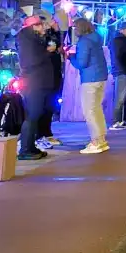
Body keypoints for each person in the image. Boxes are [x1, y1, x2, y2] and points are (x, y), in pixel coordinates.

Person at [69, 17, 110, 154]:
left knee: (90, 111)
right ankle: (102, 140)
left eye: (75, 27)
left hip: (90, 79)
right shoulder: (96, 38)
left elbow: (82, 63)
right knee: (97, 109)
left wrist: (71, 57)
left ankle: (96, 141)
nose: (74, 30)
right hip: (101, 77)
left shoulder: (84, 42)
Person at [17, 15, 54, 160]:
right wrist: (47, 52)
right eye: (40, 25)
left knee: (35, 115)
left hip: (39, 82)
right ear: (33, 27)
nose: (43, 28)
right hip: (34, 83)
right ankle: (25, 149)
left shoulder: (32, 40)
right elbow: (30, 61)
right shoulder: (27, 42)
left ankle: (30, 147)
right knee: (32, 115)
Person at [36, 15, 63, 151]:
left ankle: (47, 132)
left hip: (55, 74)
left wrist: (57, 31)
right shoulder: (37, 39)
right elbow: (51, 49)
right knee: (43, 106)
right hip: (45, 76)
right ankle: (40, 135)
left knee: (51, 105)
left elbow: (57, 46)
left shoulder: (50, 35)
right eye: (44, 23)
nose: (46, 25)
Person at [109, 21, 126, 130]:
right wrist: (125, 69)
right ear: (122, 30)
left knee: (122, 97)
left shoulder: (123, 40)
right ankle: (116, 122)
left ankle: (120, 120)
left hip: (124, 71)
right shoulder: (119, 41)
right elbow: (119, 58)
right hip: (122, 72)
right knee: (120, 98)